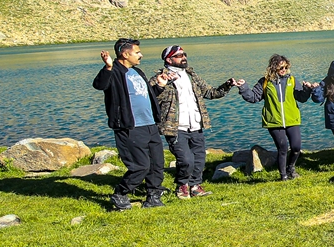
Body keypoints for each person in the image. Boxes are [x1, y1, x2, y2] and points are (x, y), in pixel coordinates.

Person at [92, 38, 171, 211]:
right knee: (140, 166)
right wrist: (107, 67)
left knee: (157, 164)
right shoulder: (114, 71)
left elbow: (143, 96)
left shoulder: (137, 72)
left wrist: (159, 87)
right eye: (137, 52)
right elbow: (99, 85)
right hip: (130, 126)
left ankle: (153, 196)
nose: (140, 55)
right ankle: (120, 193)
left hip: (149, 125)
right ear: (125, 54)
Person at [155, 44, 238, 199]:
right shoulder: (161, 78)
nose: (184, 57)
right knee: (186, 159)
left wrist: (227, 86)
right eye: (179, 55)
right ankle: (182, 186)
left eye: (184, 54)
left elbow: (209, 92)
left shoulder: (191, 75)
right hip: (175, 127)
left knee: (199, 158)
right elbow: (152, 98)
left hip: (196, 125)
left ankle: (195, 185)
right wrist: (161, 85)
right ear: (169, 59)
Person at [238, 54, 317, 180]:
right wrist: (243, 88)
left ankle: (290, 168)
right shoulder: (264, 82)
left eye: (286, 67)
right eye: (281, 68)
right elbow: (253, 97)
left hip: (292, 119)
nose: (284, 70)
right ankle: (283, 176)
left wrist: (307, 90)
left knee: (296, 147)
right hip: (273, 121)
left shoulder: (292, 80)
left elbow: (301, 98)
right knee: (283, 147)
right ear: (273, 68)